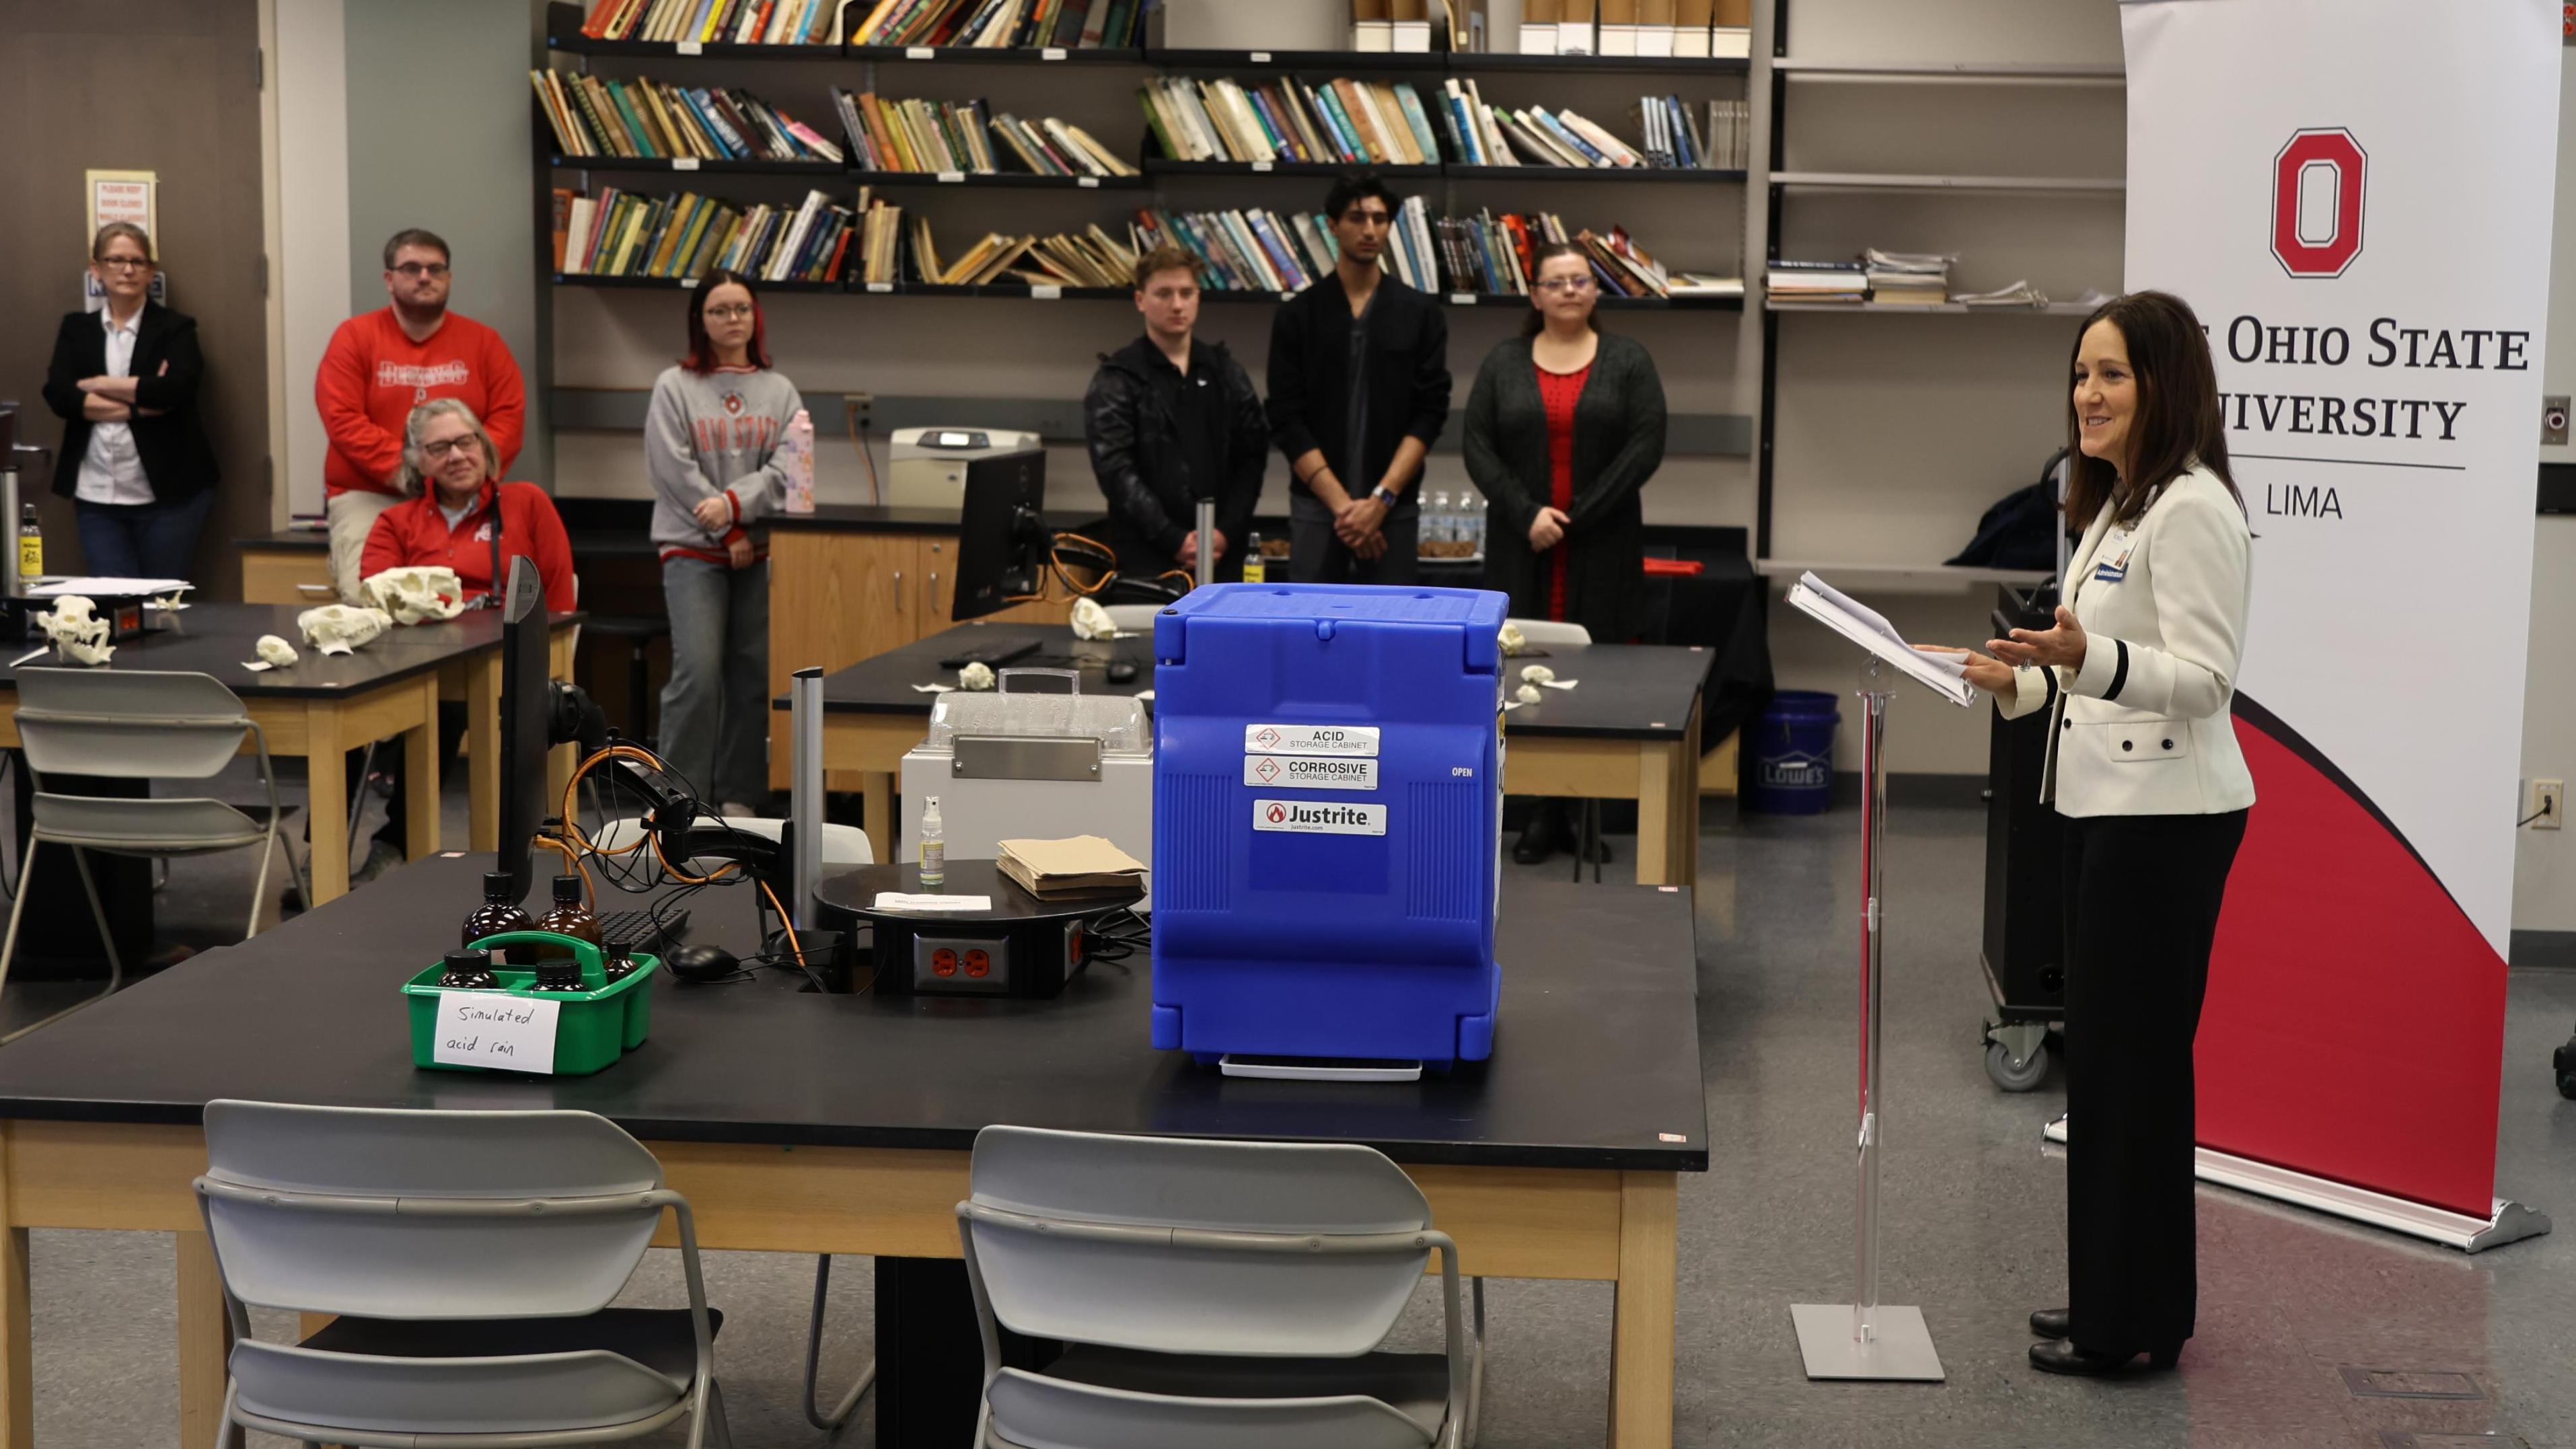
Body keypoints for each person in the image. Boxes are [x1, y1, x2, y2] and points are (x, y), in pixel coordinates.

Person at [1925, 291, 2255, 1377]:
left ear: (2164, 385)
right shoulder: (2117, 505)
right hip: (2104, 810)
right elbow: (2092, 670)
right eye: (2079, 373)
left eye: (2111, 373)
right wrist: (2018, 681)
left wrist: (2080, 658)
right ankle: (2112, 1298)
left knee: (2135, 1073)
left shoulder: (2192, 508)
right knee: (2107, 1075)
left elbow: (2203, 682)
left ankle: (2130, 1324)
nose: (2087, 393)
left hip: (2167, 822)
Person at [1463, 241, 1668, 864]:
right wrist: (1528, 514)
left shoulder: (1628, 360)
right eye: (1555, 282)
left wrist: (1573, 520)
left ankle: (1584, 816)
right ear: (1535, 295)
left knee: (1595, 676)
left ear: (1595, 290)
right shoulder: (1503, 362)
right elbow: (1477, 445)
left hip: (1600, 547)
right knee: (1521, 673)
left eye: (1580, 280)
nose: (1569, 290)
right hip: (1520, 544)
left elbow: (1645, 445)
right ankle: (1534, 816)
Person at [334, 399, 575, 886]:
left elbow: (559, 600)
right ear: (418, 461)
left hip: (506, 665)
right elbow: (378, 600)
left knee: (441, 711)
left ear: (484, 447)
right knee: (343, 709)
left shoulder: (526, 502)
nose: (457, 455)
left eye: (466, 441)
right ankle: (324, 854)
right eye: (440, 447)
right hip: (416, 664)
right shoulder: (397, 522)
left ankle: (395, 844)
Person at [646, 271, 795, 809]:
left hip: (758, 549)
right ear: (700, 321)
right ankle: (677, 797)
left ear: (755, 317)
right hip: (692, 547)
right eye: (719, 310)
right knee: (699, 673)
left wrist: (735, 506)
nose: (732, 319)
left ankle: (739, 795)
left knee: (752, 674)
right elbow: (671, 469)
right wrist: (727, 528)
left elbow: (789, 467)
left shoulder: (779, 390)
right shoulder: (674, 386)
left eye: (741, 309)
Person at [316, 228, 527, 605]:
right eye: (412, 268)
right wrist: (417, 470)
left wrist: (454, 474)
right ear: (389, 279)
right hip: (372, 495)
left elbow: (508, 419)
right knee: (370, 600)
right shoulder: (354, 337)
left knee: (469, 598)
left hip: (463, 498)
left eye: (436, 269)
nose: (425, 277)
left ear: (449, 278)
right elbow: (343, 420)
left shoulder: (485, 342)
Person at [1265, 172, 1451, 586]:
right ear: (1332, 225)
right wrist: (1345, 510)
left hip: (1393, 509)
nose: (1369, 230)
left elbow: (1430, 413)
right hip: (1317, 508)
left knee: (1392, 621)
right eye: (1356, 218)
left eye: (1380, 219)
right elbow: (1285, 417)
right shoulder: (1298, 315)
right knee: (1311, 620)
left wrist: (1379, 503)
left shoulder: (1421, 313)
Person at [39, 223, 219, 579]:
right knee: (113, 601)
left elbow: (178, 389)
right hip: (97, 497)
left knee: (161, 600)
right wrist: (141, 403)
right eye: (116, 260)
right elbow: (60, 395)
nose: (127, 270)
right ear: (96, 269)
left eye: (138, 261)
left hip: (169, 495)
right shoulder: (76, 328)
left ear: (151, 272)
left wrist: (100, 384)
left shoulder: (176, 328)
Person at [1083, 244, 1269, 588]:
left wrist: (1225, 532)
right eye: (1164, 294)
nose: (1177, 305)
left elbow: (1252, 458)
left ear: (1198, 297)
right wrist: (1173, 538)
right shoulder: (1119, 378)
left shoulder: (1226, 372)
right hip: (1146, 558)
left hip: (1224, 553)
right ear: (1140, 300)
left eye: (1186, 293)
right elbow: (1115, 470)